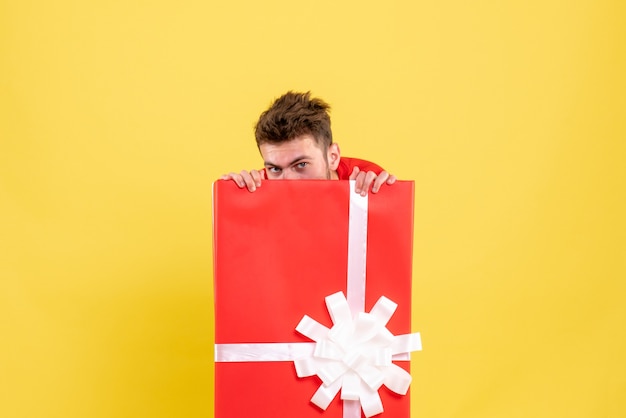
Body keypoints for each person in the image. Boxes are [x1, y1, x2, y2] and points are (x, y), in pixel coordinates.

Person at [220, 91, 396, 196]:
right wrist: (236, 201)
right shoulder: (258, 186)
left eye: (301, 164)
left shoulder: (368, 179)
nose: (287, 181)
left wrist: (382, 200)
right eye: (275, 169)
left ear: (332, 157)